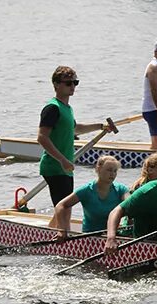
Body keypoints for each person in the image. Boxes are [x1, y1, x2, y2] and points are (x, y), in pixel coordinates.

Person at [36, 65, 113, 206]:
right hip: (54, 167)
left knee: (64, 208)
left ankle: (58, 227)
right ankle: (60, 228)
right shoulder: (52, 108)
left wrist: (100, 126)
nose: (72, 86)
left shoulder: (67, 108)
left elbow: (75, 129)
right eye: (68, 83)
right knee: (63, 208)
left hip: (65, 167)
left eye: (75, 82)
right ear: (56, 84)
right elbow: (42, 137)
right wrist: (62, 160)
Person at [50, 155, 130, 236]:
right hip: (90, 236)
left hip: (112, 235)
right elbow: (60, 206)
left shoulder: (121, 189)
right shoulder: (87, 190)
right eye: (109, 170)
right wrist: (62, 230)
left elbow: (132, 204)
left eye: (115, 171)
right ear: (98, 169)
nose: (112, 174)